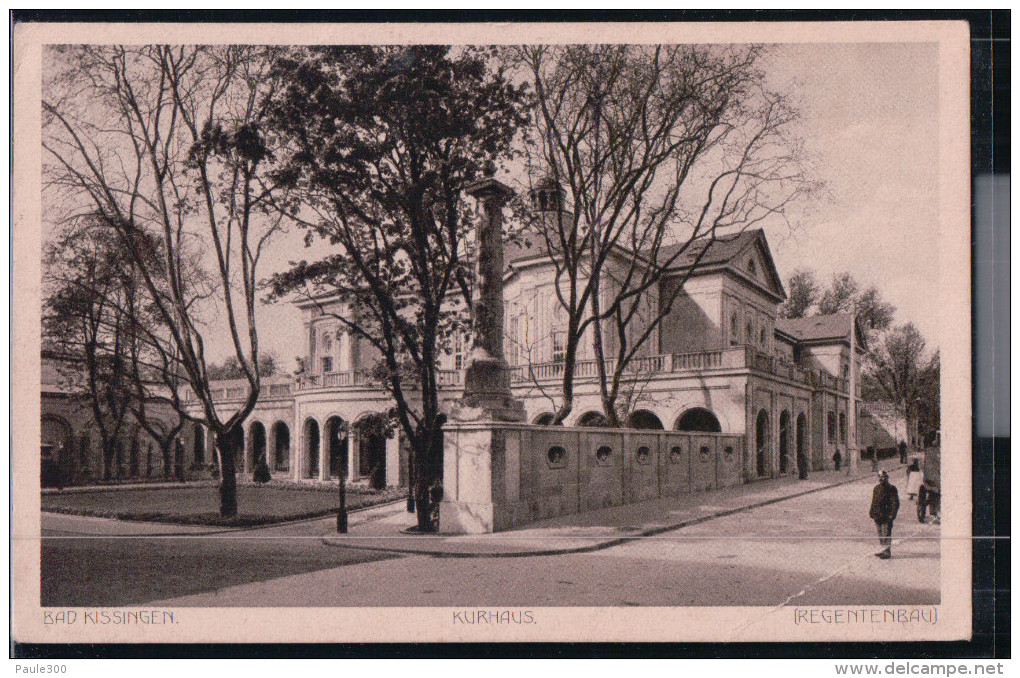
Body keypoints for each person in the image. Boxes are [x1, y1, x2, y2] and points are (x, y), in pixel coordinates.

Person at [869, 469, 900, 559]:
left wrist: (892, 514)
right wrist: (871, 512)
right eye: (879, 477)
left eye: (883, 477)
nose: (881, 479)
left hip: (887, 515)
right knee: (880, 534)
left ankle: (887, 552)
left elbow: (895, 503)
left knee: (886, 533)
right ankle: (883, 549)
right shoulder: (876, 488)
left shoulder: (892, 488)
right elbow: (874, 501)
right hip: (877, 515)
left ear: (887, 478)